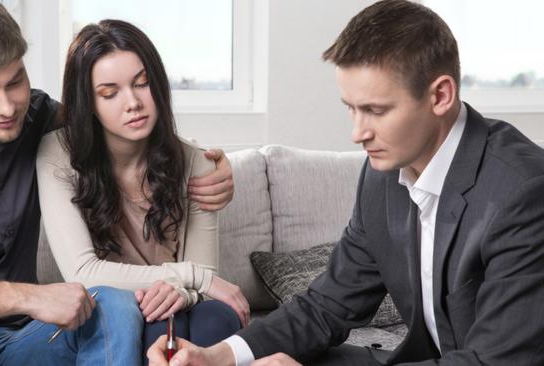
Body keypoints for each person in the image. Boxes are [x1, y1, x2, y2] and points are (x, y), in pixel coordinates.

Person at [147, 0, 544, 365]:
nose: (357, 133)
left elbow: (497, 362)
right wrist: (216, 357)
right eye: (351, 109)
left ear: (440, 95)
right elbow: (326, 305)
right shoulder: (383, 175)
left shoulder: (523, 190)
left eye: (375, 110)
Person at [0, 0, 234, 364]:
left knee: (115, 305)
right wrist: (31, 297)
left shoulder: (39, 116)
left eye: (15, 82)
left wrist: (213, 164)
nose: (7, 107)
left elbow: (113, 125)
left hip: (24, 338)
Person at [35, 19, 247, 363]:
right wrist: (192, 278)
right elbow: (83, 272)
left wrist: (183, 291)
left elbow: (206, 275)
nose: (132, 102)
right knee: (150, 323)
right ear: (88, 102)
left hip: (182, 304)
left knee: (217, 317)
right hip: (115, 309)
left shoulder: (197, 163)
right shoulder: (57, 155)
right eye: (110, 93)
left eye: (142, 84)